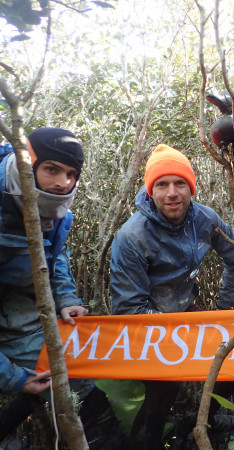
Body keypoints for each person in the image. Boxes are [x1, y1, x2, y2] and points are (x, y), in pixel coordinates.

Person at [110, 143, 234, 449]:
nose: (172, 193)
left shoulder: (205, 219)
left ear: (190, 188)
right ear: (150, 191)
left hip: (184, 310)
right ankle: (146, 441)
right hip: (147, 322)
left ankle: (201, 420)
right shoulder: (132, 236)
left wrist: (222, 309)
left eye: (180, 183)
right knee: (163, 390)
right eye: (162, 184)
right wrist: (175, 339)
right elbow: (127, 309)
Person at [0, 128, 127, 448]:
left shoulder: (58, 214)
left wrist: (66, 297)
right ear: (28, 165)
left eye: (71, 174)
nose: (62, 183)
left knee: (74, 383)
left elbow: (55, 256)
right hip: (10, 313)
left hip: (21, 304)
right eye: (52, 169)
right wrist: (13, 377)